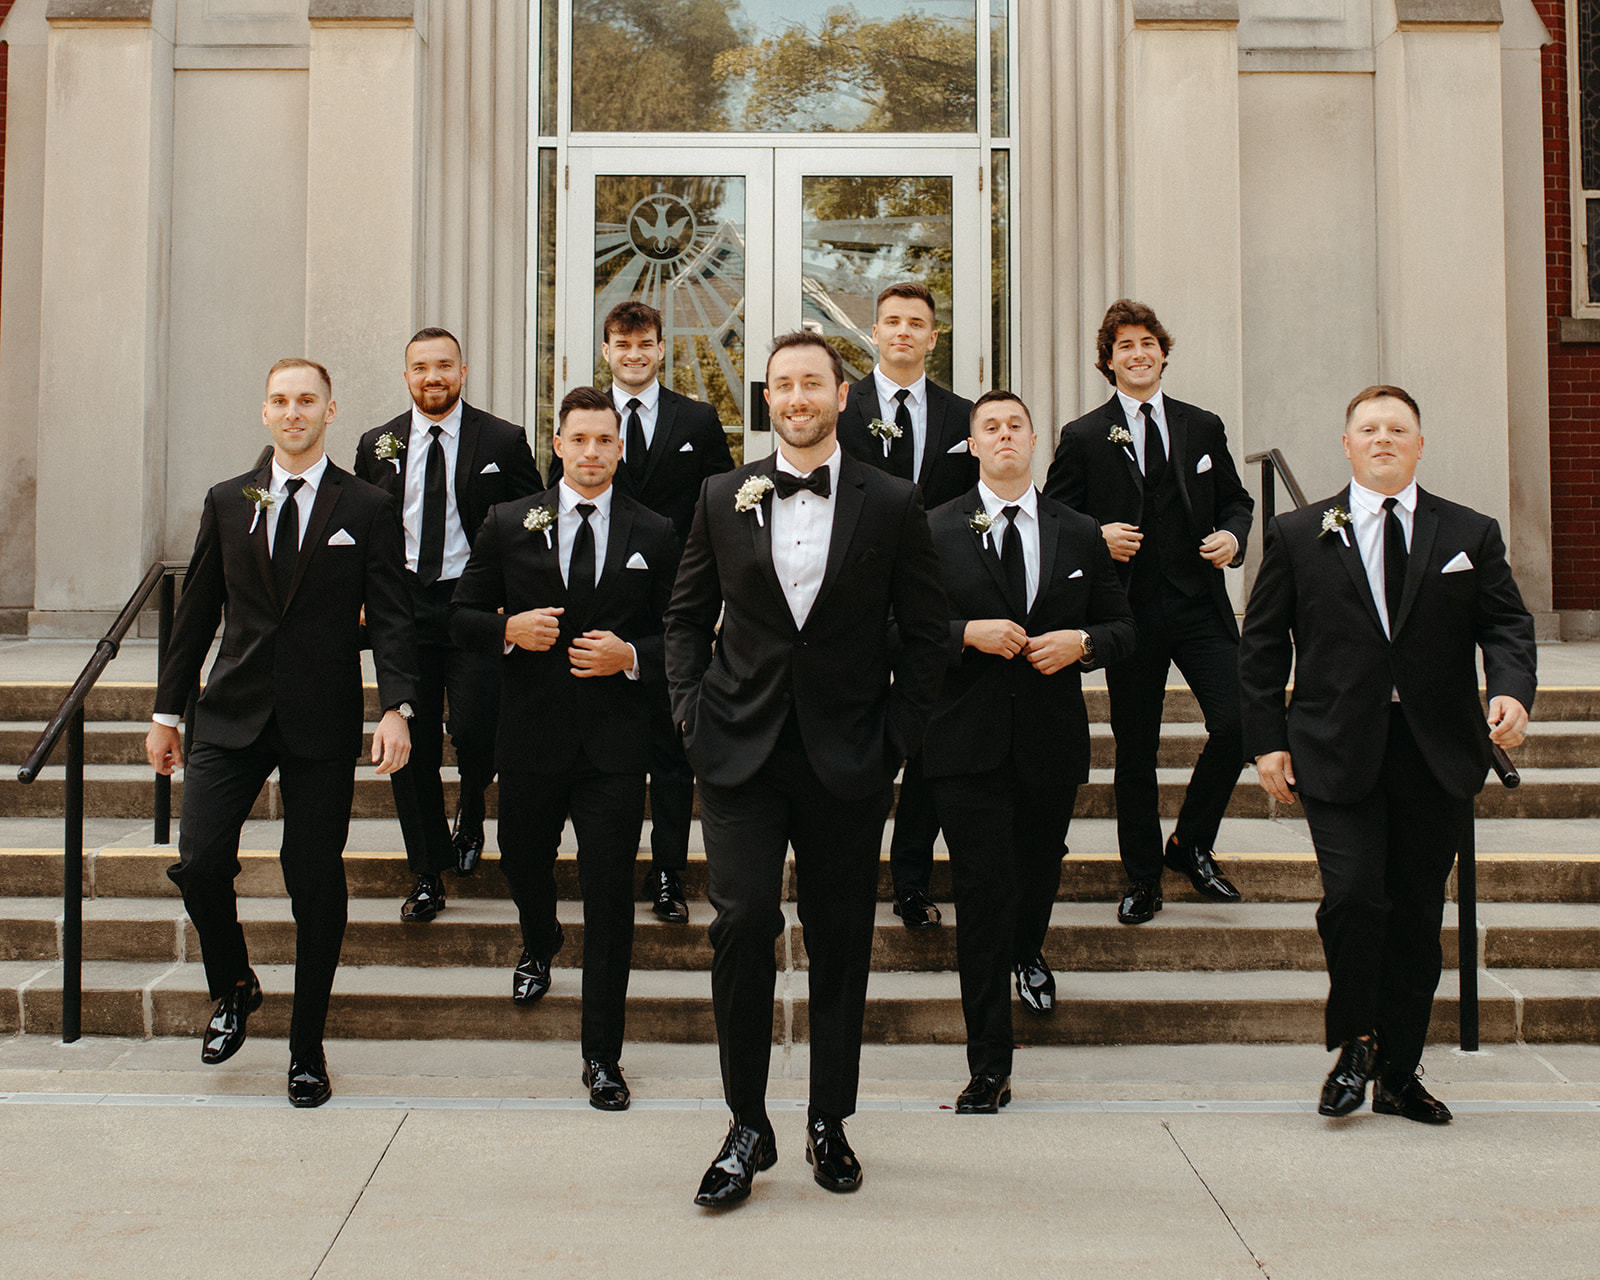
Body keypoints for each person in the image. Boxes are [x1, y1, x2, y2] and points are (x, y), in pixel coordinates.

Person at [666, 331, 947, 1207]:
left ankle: (831, 1118)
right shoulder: (721, 495)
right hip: (739, 753)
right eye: (783, 385)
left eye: (812, 383)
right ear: (768, 398)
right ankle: (746, 1124)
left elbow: (930, 637)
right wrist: (689, 714)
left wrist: (897, 735)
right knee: (744, 925)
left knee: (839, 942)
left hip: (849, 756)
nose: (797, 397)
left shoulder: (893, 502)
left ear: (840, 394)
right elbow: (683, 620)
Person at [1239, 384, 1536, 1124]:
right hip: (1336, 748)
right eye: (1367, 429)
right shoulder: (1300, 533)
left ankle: (1400, 1072)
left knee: (1414, 916)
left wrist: (1511, 689)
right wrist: (1266, 742)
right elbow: (1263, 646)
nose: (1382, 439)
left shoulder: (1469, 532)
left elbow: (1507, 626)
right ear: (1346, 446)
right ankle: (1357, 1044)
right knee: (1354, 898)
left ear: (1419, 445)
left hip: (1435, 753)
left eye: (1397, 429)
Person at [146, 358, 418, 1108]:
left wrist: (399, 706)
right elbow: (197, 614)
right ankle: (233, 984)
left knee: (313, 880)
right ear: (264, 413)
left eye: (307, 400)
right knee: (199, 861)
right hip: (230, 713)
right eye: (280, 400)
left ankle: (306, 1049)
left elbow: (392, 613)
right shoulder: (229, 501)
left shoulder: (364, 505)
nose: (292, 411)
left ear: (331, 412)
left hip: (319, 720)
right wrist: (168, 713)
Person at [450, 386, 680, 1111]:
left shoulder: (656, 530)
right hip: (528, 738)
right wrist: (506, 632)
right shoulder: (509, 521)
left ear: (619, 447)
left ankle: (602, 1056)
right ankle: (540, 934)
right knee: (521, 859)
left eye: (603, 441)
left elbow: (686, 633)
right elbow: (457, 616)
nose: (590, 453)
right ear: (558, 444)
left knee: (610, 898)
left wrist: (632, 657)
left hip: (615, 747)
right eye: (578, 440)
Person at [922, 391, 1135, 1111]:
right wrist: (964, 635)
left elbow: (1122, 628)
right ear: (973, 446)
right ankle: (989, 1063)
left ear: (1035, 440)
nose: (1005, 436)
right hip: (965, 743)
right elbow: (902, 633)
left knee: (1039, 871)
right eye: (991, 428)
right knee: (983, 892)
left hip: (1049, 741)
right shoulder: (934, 529)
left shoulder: (1077, 531)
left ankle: (1027, 951)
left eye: (1016, 425)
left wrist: (1084, 644)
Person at [1043, 299, 1254, 927]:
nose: (1138, 354)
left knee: (1241, 723)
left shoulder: (1202, 425)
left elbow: (1236, 502)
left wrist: (1234, 538)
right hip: (1128, 614)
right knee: (1136, 750)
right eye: (1124, 346)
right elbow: (1055, 518)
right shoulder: (1083, 436)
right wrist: (1096, 535)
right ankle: (1141, 878)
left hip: (1198, 606)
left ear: (1162, 351)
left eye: (1147, 343)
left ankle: (1190, 843)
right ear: (1108, 361)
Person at [551, 301, 734, 924]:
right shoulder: (588, 420)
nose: (633, 354)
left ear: (661, 349)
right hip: (599, 606)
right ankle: (608, 864)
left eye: (645, 344)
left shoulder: (700, 419)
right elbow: (557, 501)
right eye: (621, 345)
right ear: (606, 350)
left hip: (675, 603)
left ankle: (667, 873)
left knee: (673, 744)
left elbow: (724, 502)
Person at [354, 328, 541, 921]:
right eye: (419, 368)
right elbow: (363, 528)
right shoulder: (377, 443)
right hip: (402, 611)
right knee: (412, 743)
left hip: (475, 607)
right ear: (406, 375)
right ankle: (428, 871)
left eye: (443, 366)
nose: (431, 377)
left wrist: (518, 599)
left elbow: (533, 522)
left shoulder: (503, 440)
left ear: (463, 371)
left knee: (479, 725)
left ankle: (471, 808)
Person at [837, 281, 978, 931]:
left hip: (934, 600)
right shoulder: (844, 406)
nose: (901, 332)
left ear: (932, 336)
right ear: (874, 332)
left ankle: (913, 883)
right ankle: (844, 870)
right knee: (855, 739)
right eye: (890, 321)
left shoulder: (963, 415)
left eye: (914, 323)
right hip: (855, 597)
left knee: (924, 741)